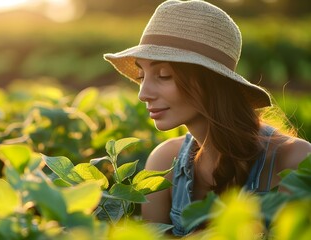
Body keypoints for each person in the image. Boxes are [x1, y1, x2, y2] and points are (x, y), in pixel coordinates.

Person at [103, 0, 311, 236]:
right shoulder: (164, 163)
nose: (143, 94)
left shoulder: (295, 161)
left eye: (164, 75)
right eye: (142, 76)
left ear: (211, 81)